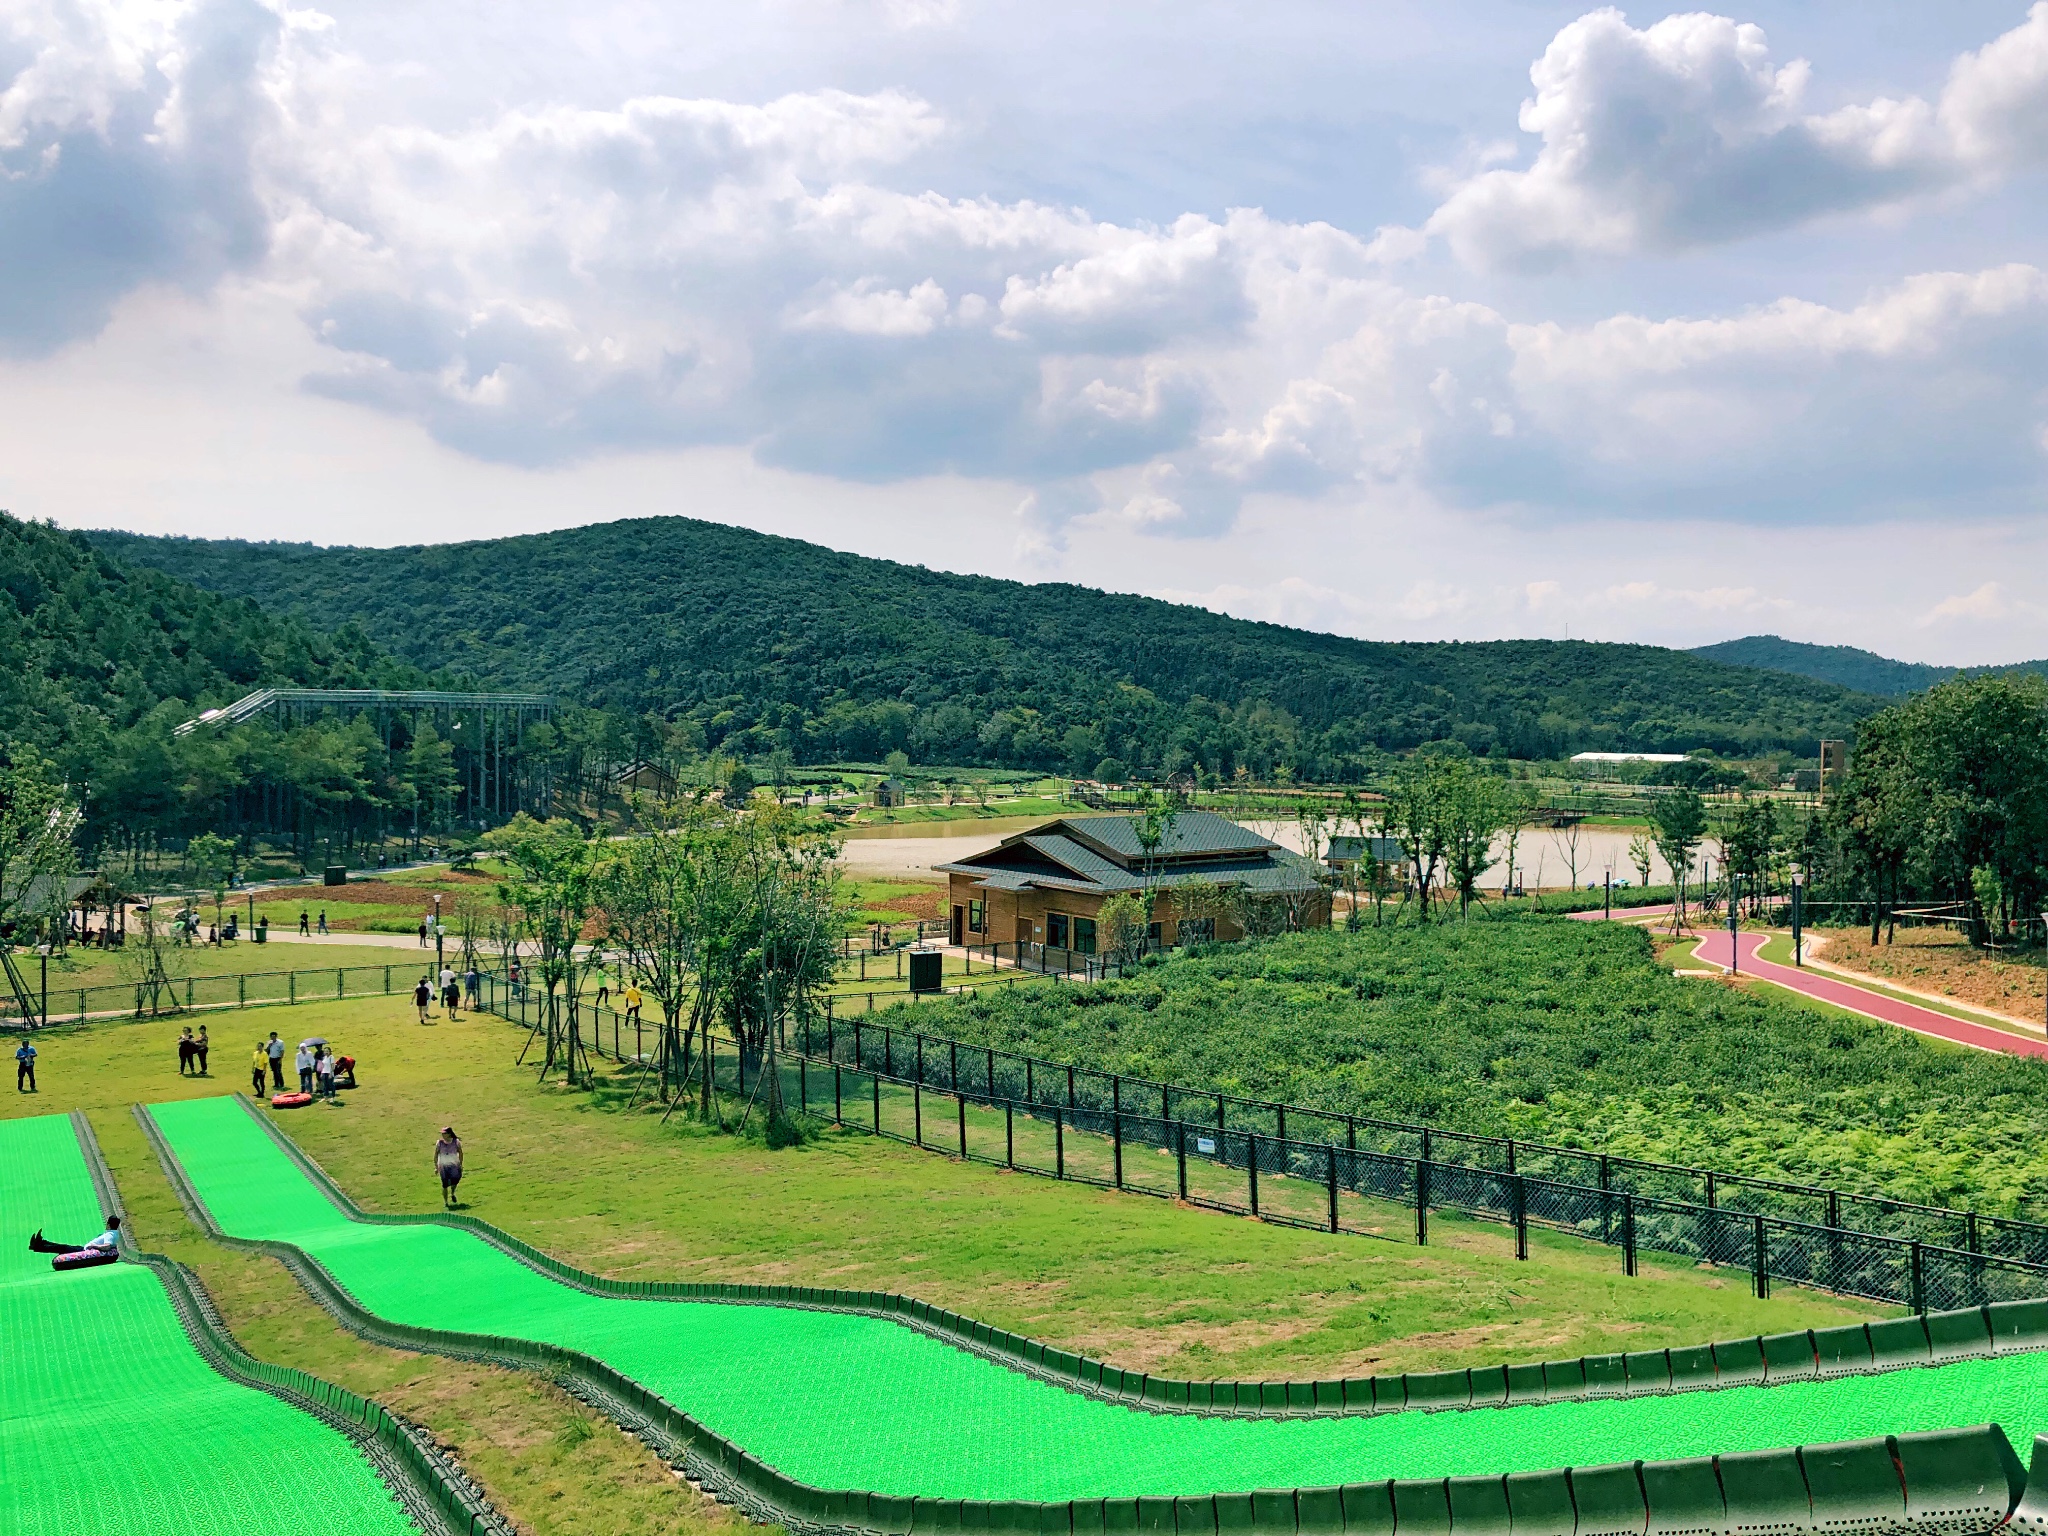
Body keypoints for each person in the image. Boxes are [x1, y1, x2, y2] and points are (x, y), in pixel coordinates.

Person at [30, 1215, 120, 1255]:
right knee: (63, 1247)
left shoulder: (110, 1234)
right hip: (84, 1248)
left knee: (62, 1248)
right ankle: (41, 1242)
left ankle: (38, 1246)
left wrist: (94, 1246)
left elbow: (107, 1246)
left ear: (108, 1224)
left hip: (84, 1251)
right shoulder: (113, 1233)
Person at [434, 1128, 463, 1208]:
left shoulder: (456, 1142)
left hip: (454, 1165)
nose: (443, 1135)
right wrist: (436, 1167)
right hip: (443, 1166)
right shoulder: (439, 1143)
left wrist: (460, 1164)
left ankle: (452, 1193)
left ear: (449, 1134)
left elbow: (460, 1152)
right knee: (445, 1185)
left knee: (455, 1181)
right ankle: (446, 1202)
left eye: (444, 1133)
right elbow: (436, 1154)